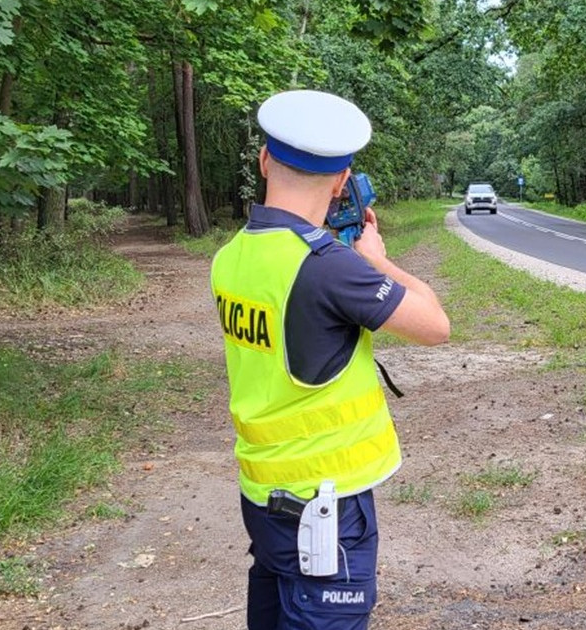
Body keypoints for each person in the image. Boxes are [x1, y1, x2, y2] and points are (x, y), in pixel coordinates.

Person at [210, 89, 449, 630]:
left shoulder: (230, 258)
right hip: (325, 508)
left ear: (264, 160)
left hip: (263, 495)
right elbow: (436, 326)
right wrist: (378, 262)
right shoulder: (331, 268)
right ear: (342, 182)